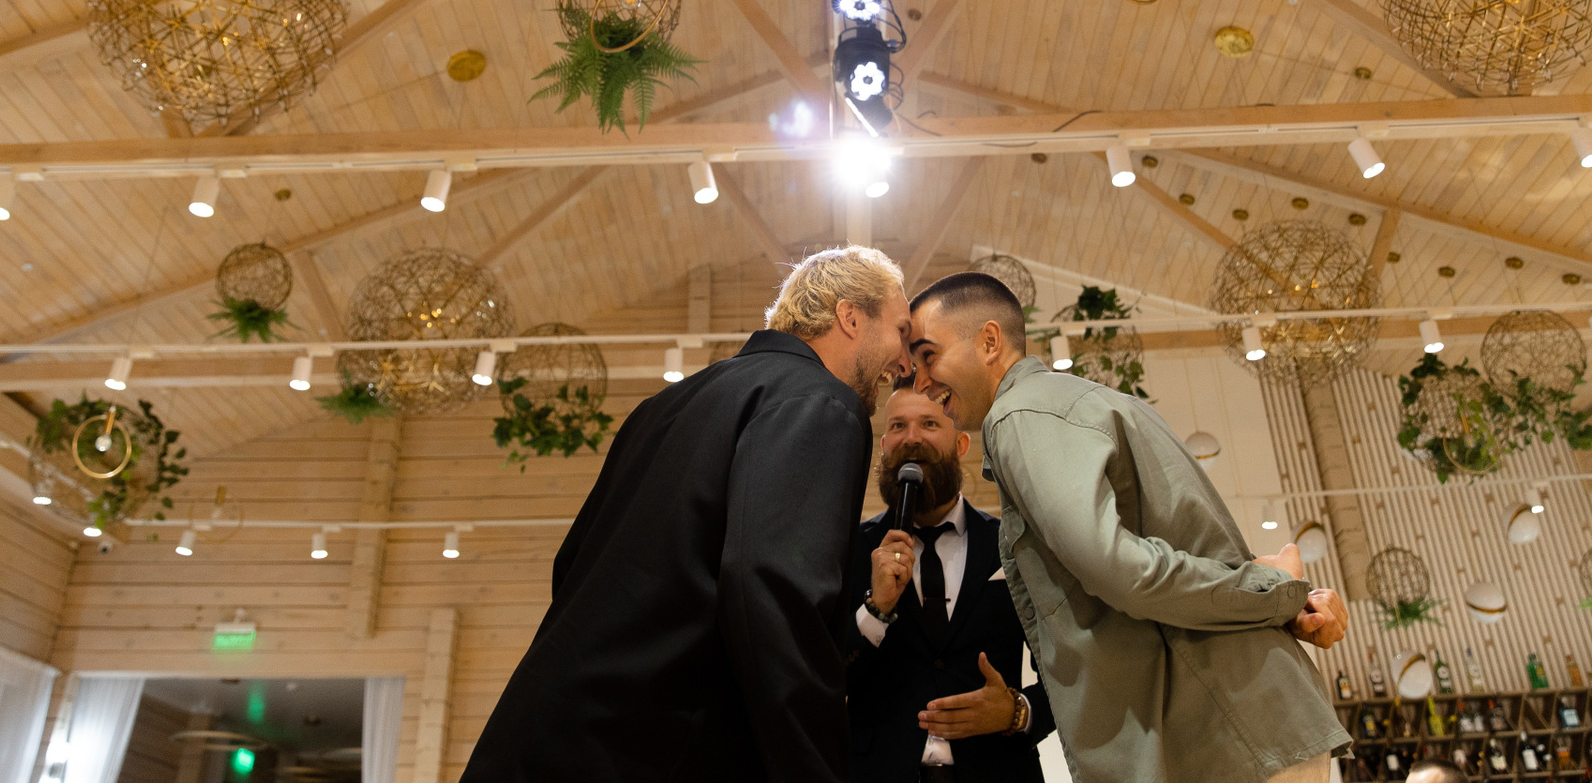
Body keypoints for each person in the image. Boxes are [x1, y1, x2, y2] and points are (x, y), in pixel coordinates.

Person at [458, 246, 914, 783]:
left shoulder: (663, 406)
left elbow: (574, 562)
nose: (906, 364)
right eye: (902, 332)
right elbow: (774, 589)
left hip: (536, 736)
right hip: (650, 752)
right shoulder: (820, 401)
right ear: (850, 316)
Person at [908, 272, 1351, 783]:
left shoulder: (1018, 414)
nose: (920, 382)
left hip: (1226, 735)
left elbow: (1122, 570)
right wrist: (1277, 593)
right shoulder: (1086, 402)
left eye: (928, 356)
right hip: (1239, 725)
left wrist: (1276, 591)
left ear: (989, 341)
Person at [844, 384, 1055, 783]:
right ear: (884, 448)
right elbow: (826, 676)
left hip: (999, 771)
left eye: (928, 424)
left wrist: (1018, 711)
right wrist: (876, 610)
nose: (912, 438)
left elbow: (1068, 669)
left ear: (961, 445)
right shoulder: (851, 550)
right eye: (898, 426)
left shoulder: (1012, 544)